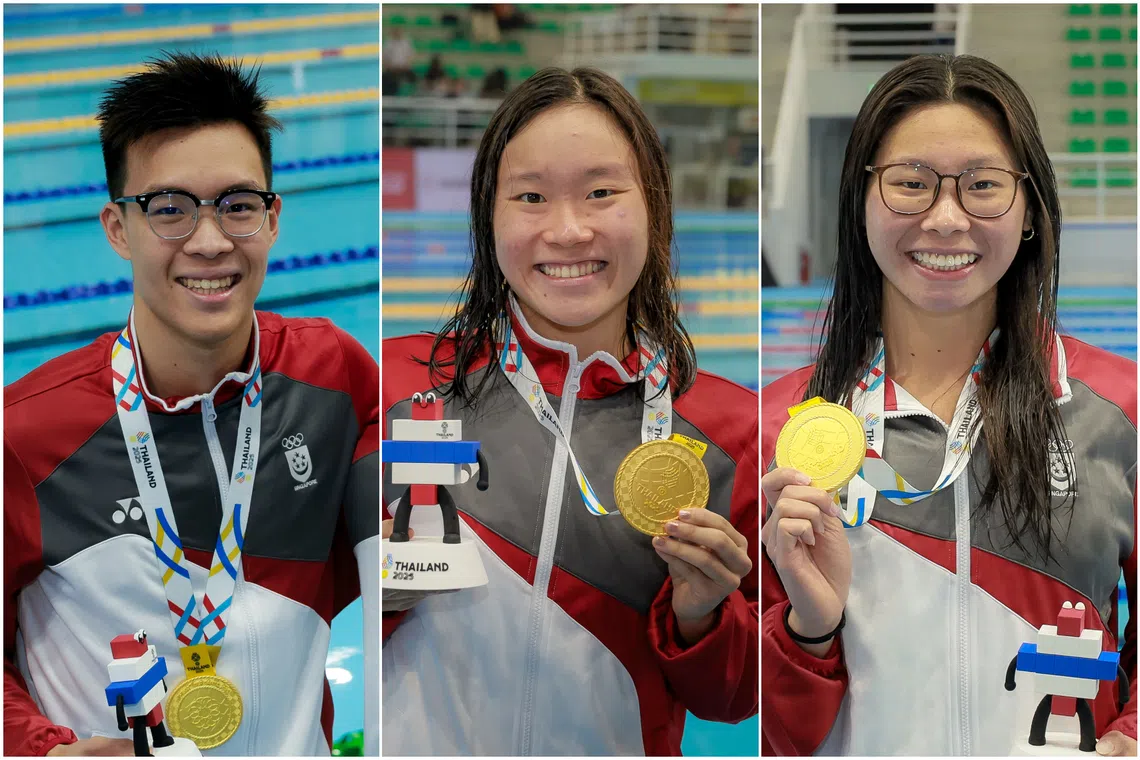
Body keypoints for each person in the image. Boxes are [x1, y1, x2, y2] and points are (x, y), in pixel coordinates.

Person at [4, 53, 379, 756]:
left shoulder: (335, 378)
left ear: (273, 219)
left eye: (238, 206)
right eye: (169, 209)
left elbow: (400, 561)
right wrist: (42, 748)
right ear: (118, 227)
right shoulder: (26, 435)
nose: (210, 242)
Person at [761, 54, 1136, 756]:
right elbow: (773, 734)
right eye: (910, 183)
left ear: (1030, 209)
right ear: (861, 201)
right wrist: (809, 631)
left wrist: (1128, 739)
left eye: (983, 185)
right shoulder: (782, 428)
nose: (944, 218)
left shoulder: (1120, 410)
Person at [382, 67, 758, 755]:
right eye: (531, 197)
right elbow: (300, 610)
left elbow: (735, 700)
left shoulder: (733, 433)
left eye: (601, 193)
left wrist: (700, 616)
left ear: (654, 206)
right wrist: (375, 589)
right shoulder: (398, 386)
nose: (568, 229)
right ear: (488, 216)